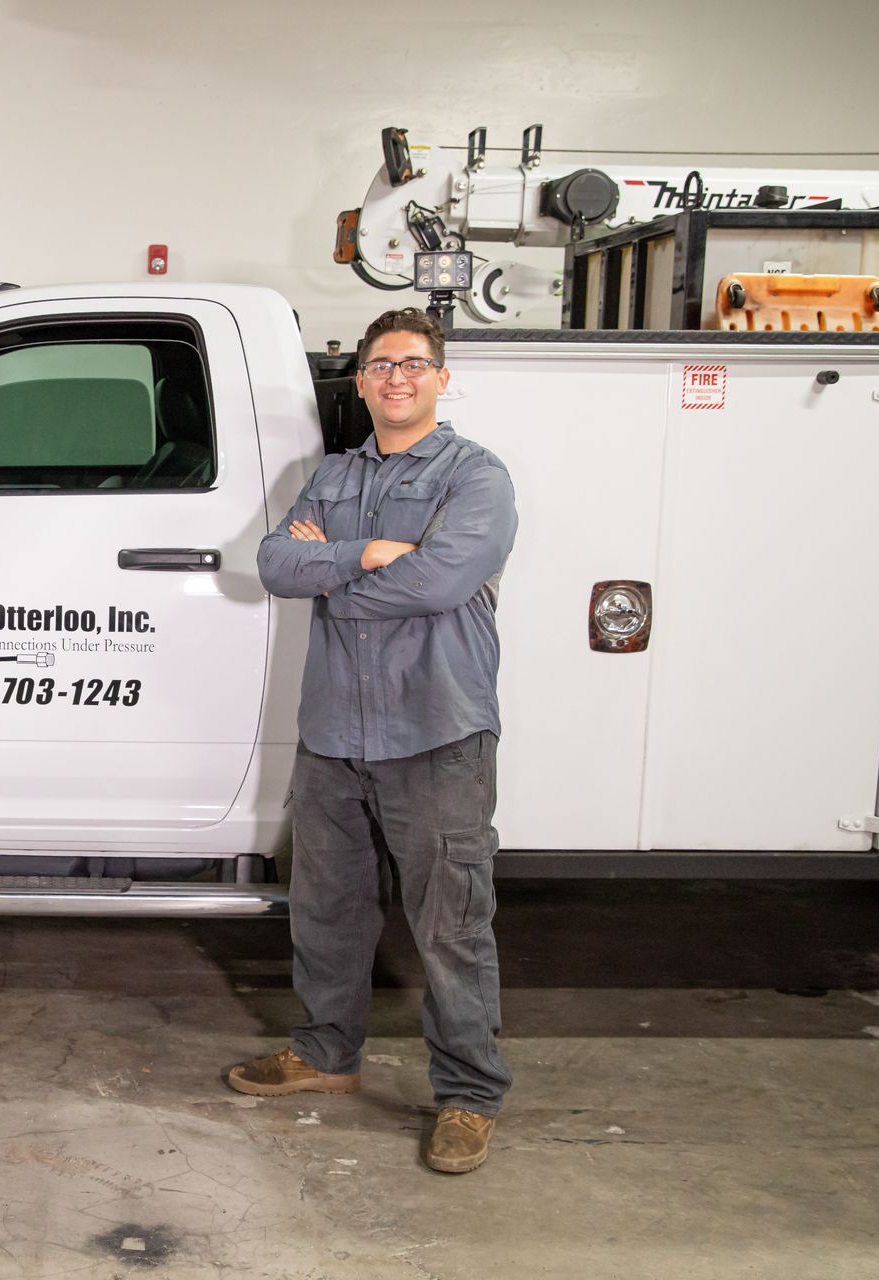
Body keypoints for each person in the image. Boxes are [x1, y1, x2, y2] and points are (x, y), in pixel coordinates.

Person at [227, 306, 517, 1174]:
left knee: (452, 924)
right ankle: (324, 1056)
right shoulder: (333, 475)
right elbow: (276, 566)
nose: (397, 377)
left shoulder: (477, 476)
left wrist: (335, 569)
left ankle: (468, 1096)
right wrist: (368, 555)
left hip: (435, 731)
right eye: (382, 364)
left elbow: (438, 583)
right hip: (334, 734)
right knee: (326, 910)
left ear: (441, 377)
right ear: (360, 381)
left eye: (414, 363)